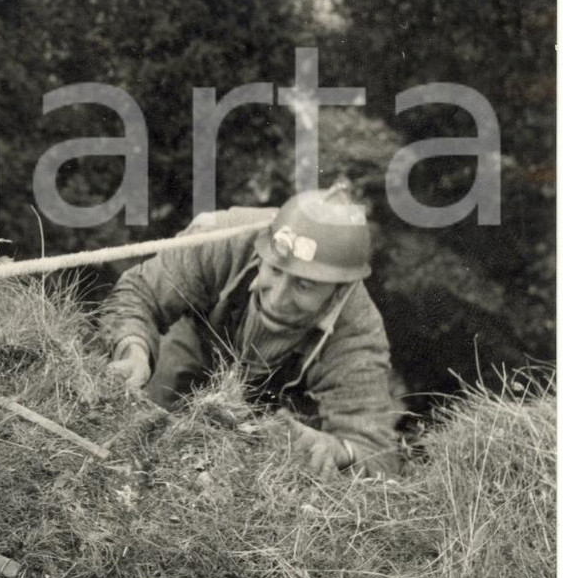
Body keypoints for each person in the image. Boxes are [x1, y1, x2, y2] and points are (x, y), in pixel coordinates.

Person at [101, 188, 402, 476]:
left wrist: (338, 450)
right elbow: (141, 292)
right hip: (199, 344)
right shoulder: (227, 238)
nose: (278, 298)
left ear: (340, 290)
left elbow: (378, 453)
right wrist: (134, 350)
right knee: (154, 407)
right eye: (274, 270)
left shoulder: (358, 333)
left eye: (304, 285)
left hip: (277, 412)